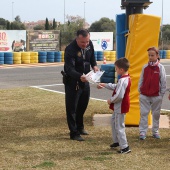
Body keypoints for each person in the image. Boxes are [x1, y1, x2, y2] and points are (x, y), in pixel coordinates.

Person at [63, 29, 98, 141]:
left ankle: (80, 127)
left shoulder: (89, 44)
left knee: (83, 105)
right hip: (73, 82)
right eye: (83, 42)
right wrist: (79, 77)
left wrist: (95, 65)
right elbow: (69, 69)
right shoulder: (70, 49)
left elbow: (92, 56)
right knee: (72, 108)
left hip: (86, 79)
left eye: (87, 41)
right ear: (77, 39)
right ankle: (74, 133)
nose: (85, 44)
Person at [97, 57, 131, 154]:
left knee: (119, 126)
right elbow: (116, 87)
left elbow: (119, 95)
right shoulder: (124, 79)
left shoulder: (123, 80)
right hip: (119, 106)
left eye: (116, 69)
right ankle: (117, 141)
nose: (115, 70)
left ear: (121, 69)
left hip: (120, 106)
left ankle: (125, 147)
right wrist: (104, 85)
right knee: (113, 122)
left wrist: (111, 100)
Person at [138, 47, 167, 140]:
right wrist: (140, 91)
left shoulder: (160, 68)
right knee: (144, 113)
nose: (150, 57)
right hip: (144, 95)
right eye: (149, 55)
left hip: (156, 96)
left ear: (157, 56)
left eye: (152, 55)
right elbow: (141, 80)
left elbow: (163, 81)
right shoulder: (145, 67)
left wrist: (161, 94)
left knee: (156, 114)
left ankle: (155, 131)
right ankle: (142, 132)